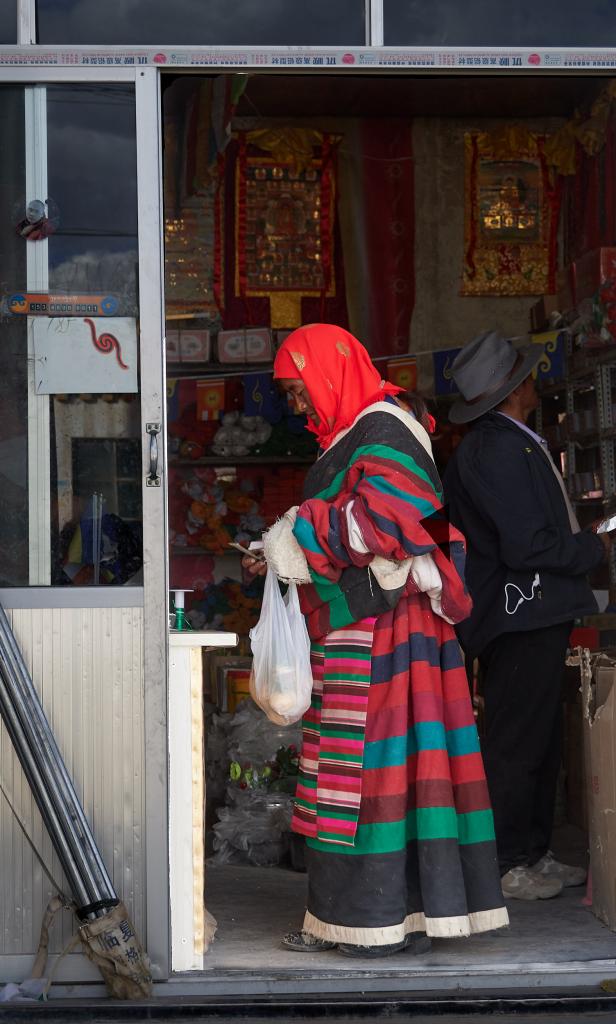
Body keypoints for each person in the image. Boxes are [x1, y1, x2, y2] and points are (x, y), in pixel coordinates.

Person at [244, 323, 508, 957]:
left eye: (299, 388)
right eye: (290, 393)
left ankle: (376, 923)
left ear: (330, 371)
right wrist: (280, 548)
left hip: (392, 635)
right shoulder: (348, 434)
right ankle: (344, 920)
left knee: (371, 777)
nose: (297, 404)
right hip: (355, 628)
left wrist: (295, 534)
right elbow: (350, 529)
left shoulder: (389, 427)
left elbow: (383, 522)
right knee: (345, 779)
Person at [443, 330, 609, 901]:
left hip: (534, 611)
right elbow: (527, 546)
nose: (534, 380)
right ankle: (509, 861)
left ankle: (533, 852)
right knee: (515, 743)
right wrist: (592, 549)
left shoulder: (511, 440)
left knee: (539, 741)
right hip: (515, 614)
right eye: (526, 373)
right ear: (514, 389)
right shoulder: (493, 449)